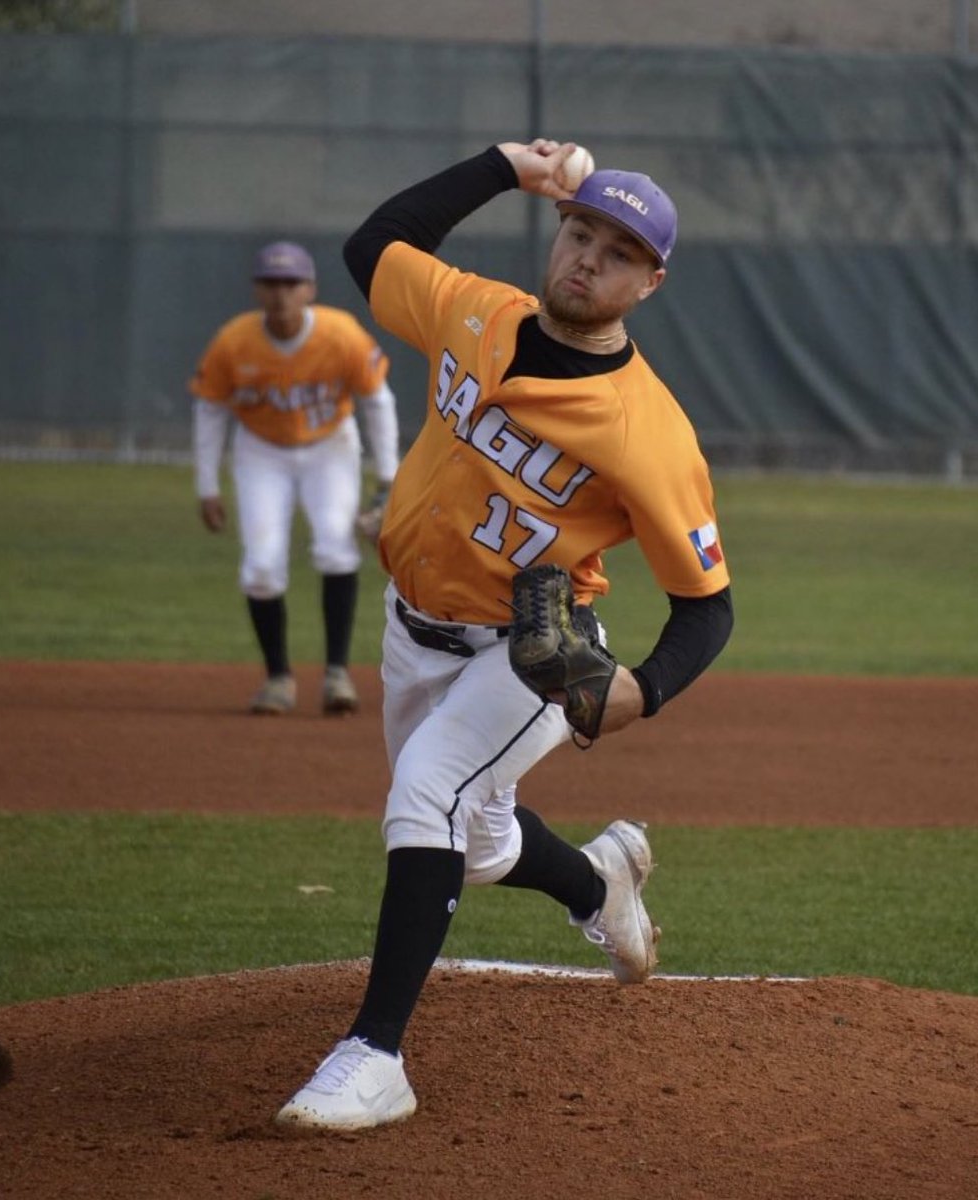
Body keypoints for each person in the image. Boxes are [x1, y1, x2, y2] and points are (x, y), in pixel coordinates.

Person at [274, 139, 733, 1130]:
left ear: (649, 283)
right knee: (474, 842)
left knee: (427, 790)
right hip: (411, 629)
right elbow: (375, 246)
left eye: (616, 254)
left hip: (529, 650)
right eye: (578, 234)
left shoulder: (647, 432)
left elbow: (707, 603)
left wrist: (640, 689)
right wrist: (499, 166)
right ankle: (598, 880)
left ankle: (376, 1057)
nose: (585, 260)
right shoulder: (474, 311)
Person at [190, 240, 400, 715]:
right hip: (261, 451)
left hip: (330, 447)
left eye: (291, 283)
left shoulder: (340, 333)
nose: (281, 293)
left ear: (310, 289)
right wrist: (206, 486)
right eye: (271, 283)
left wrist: (387, 476)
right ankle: (279, 678)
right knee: (261, 566)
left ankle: (336, 676)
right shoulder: (234, 341)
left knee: (335, 545)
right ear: (257, 290)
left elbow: (377, 401)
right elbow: (210, 410)